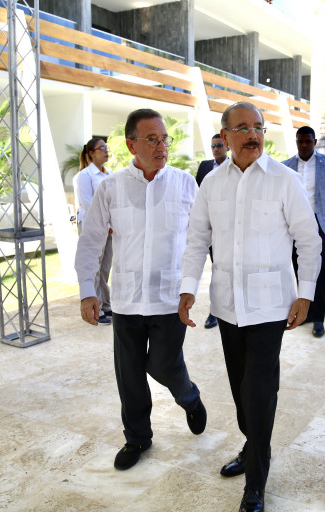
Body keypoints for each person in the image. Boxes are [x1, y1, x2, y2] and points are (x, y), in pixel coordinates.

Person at [179, 101, 321, 512]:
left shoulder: (284, 180)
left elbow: (308, 241)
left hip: (270, 307)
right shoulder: (211, 183)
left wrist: (306, 294)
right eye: (242, 128)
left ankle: (256, 481)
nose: (252, 134)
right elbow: (196, 239)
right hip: (227, 306)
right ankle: (252, 443)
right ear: (225, 137)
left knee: (259, 393)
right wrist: (188, 289)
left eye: (257, 127)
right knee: (241, 390)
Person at [75, 108, 207, 472]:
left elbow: (200, 239)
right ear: (132, 144)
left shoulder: (185, 184)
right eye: (152, 139)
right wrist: (88, 291)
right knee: (129, 374)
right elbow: (91, 241)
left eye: (164, 138)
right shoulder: (111, 187)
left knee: (165, 364)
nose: (161, 145)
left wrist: (192, 286)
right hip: (127, 300)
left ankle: (188, 396)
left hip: (170, 298)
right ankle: (137, 437)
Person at [282, 126, 325, 338]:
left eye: (308, 141)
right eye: (300, 141)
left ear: (315, 142)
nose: (304, 145)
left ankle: (318, 317)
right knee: (299, 267)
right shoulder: (286, 166)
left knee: (318, 268)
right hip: (294, 224)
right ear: (296, 142)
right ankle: (306, 313)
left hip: (322, 223)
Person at [74, 138, 113, 324]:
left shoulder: (109, 174)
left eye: (106, 148)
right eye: (101, 148)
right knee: (94, 267)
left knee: (105, 267)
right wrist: (105, 224)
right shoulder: (84, 175)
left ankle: (106, 304)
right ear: (91, 153)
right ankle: (97, 307)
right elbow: (88, 204)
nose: (106, 151)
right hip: (93, 225)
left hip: (109, 228)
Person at [195, 134, 230, 329]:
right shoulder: (205, 166)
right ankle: (215, 311)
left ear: (227, 146)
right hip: (208, 226)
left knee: (225, 268)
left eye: (219, 145)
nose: (216, 149)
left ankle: (226, 307)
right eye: (213, 146)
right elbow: (197, 194)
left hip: (228, 228)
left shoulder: (234, 167)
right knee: (216, 269)